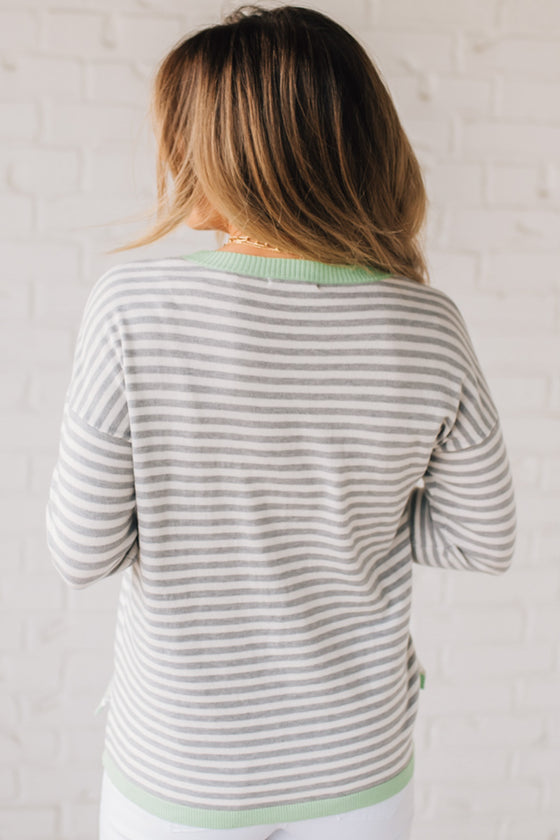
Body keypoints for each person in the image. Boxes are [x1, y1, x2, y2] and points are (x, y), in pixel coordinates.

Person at [45, 5, 516, 840]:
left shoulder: (132, 308)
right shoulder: (429, 324)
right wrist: (345, 510)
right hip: (357, 767)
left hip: (183, 769)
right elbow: (484, 539)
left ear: (228, 156)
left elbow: (81, 552)